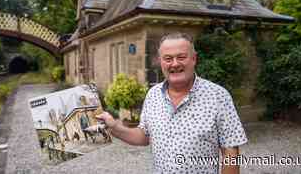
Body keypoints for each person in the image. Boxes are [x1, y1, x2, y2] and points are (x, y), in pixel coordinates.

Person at [97, 32, 247, 174]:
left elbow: (231, 152)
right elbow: (144, 136)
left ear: (194, 59)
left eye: (181, 57)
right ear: (160, 61)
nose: (174, 64)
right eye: (168, 58)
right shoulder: (153, 95)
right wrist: (115, 127)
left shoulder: (218, 96)